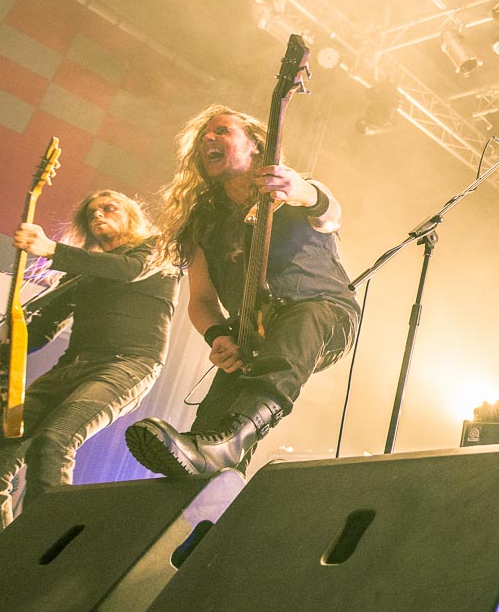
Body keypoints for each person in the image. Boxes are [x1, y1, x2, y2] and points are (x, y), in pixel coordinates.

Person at [123, 105, 359, 477]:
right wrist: (218, 336)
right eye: (203, 136)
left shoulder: (291, 186)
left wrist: (301, 190)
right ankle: (208, 478)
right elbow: (201, 300)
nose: (208, 138)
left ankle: (232, 444)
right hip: (253, 330)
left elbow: (330, 214)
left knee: (304, 321)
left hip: (325, 312)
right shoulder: (203, 222)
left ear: (255, 145)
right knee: (206, 435)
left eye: (222, 131)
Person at [0, 190, 176, 557]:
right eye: (91, 212)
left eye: (109, 208)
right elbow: (44, 328)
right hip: (71, 366)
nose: (98, 215)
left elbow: (128, 270)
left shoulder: (156, 248)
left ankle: (45, 559)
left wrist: (51, 250)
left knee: (55, 441)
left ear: (132, 215)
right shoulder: (81, 271)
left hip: (126, 364)